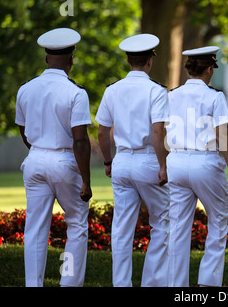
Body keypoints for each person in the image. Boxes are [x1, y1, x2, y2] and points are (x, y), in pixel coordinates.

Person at [15, 28, 92, 287]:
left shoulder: (25, 89)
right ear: (71, 59)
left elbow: (23, 131)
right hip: (65, 161)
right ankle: (68, 283)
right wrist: (86, 181)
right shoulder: (76, 93)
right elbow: (80, 140)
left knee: (35, 229)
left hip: (35, 158)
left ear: (46, 58)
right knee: (76, 225)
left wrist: (39, 148)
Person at [95, 34, 170, 287]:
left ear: (128, 60)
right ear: (150, 61)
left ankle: (121, 284)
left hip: (122, 161)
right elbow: (159, 131)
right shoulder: (157, 91)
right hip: (148, 160)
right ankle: (152, 283)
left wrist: (108, 161)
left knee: (122, 229)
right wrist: (163, 165)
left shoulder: (112, 90)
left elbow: (103, 131)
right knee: (162, 223)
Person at [166, 46, 228, 287]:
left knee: (177, 228)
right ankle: (208, 283)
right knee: (217, 221)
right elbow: (222, 135)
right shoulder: (214, 96)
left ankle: (177, 286)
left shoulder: (171, 94)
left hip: (175, 160)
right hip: (204, 161)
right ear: (208, 69)